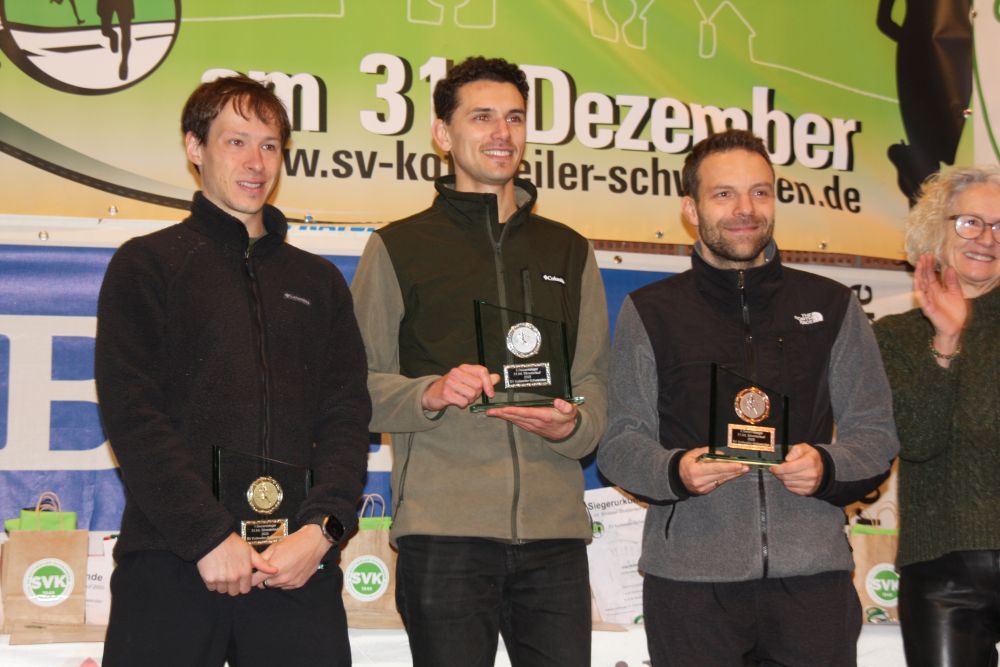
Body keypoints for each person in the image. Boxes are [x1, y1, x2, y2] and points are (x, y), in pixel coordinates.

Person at [94, 75, 371, 666]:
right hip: (173, 561)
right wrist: (205, 535)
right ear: (195, 147)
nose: (256, 163)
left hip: (295, 568)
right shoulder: (147, 264)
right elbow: (132, 415)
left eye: (269, 145)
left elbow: (347, 416)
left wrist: (322, 530)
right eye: (236, 142)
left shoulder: (319, 281)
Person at [597, 129, 899, 667]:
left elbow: (876, 435)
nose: (745, 209)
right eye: (724, 194)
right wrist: (676, 472)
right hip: (691, 585)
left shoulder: (832, 304)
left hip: (813, 580)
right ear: (691, 208)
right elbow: (619, 443)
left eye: (760, 192)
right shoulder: (652, 311)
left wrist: (827, 467)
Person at [350, 55, 609, 667]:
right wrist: (429, 393)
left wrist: (573, 425)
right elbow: (353, 390)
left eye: (515, 118)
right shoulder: (398, 247)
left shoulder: (569, 250)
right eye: (482, 116)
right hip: (445, 535)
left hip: (554, 538)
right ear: (443, 133)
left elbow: (595, 378)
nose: (502, 133)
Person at [874, 167, 1000, 666]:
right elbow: (918, 441)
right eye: (970, 222)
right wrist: (947, 341)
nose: (987, 238)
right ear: (935, 229)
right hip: (940, 570)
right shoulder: (895, 335)